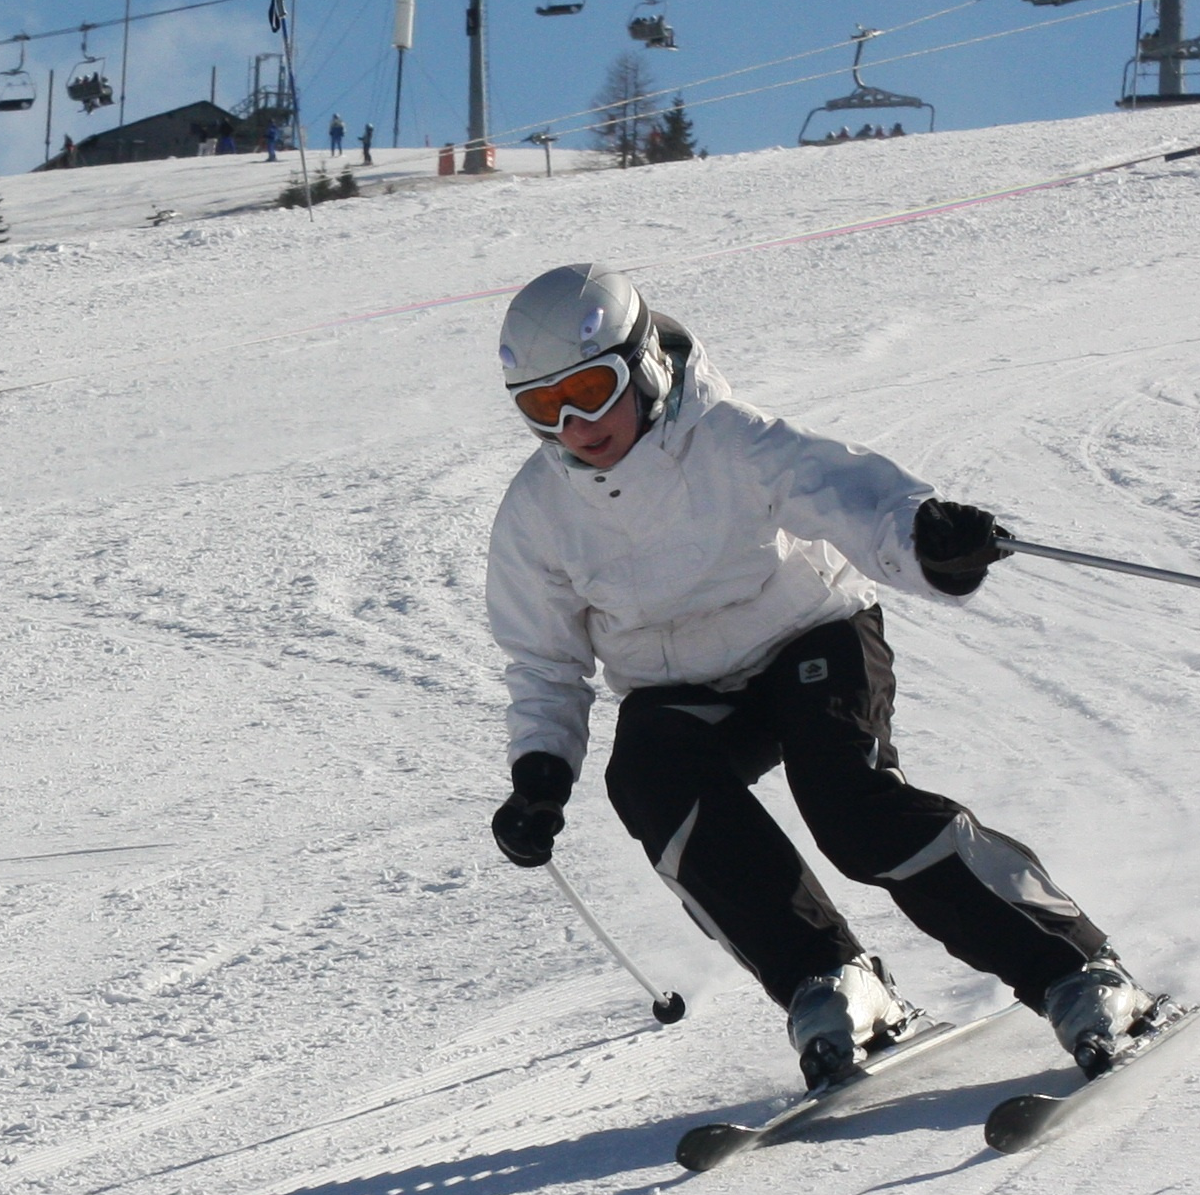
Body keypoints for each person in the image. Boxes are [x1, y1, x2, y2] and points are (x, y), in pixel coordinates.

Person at [479, 261, 1161, 1088]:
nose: (578, 424)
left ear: (646, 363)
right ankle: (834, 979)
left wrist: (924, 537)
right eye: (545, 408)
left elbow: (844, 492)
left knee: (850, 807)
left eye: (592, 388)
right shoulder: (538, 514)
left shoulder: (728, 439)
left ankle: (1078, 970)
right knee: (652, 776)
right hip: (689, 687)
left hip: (811, 637)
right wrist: (540, 775)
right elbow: (545, 661)